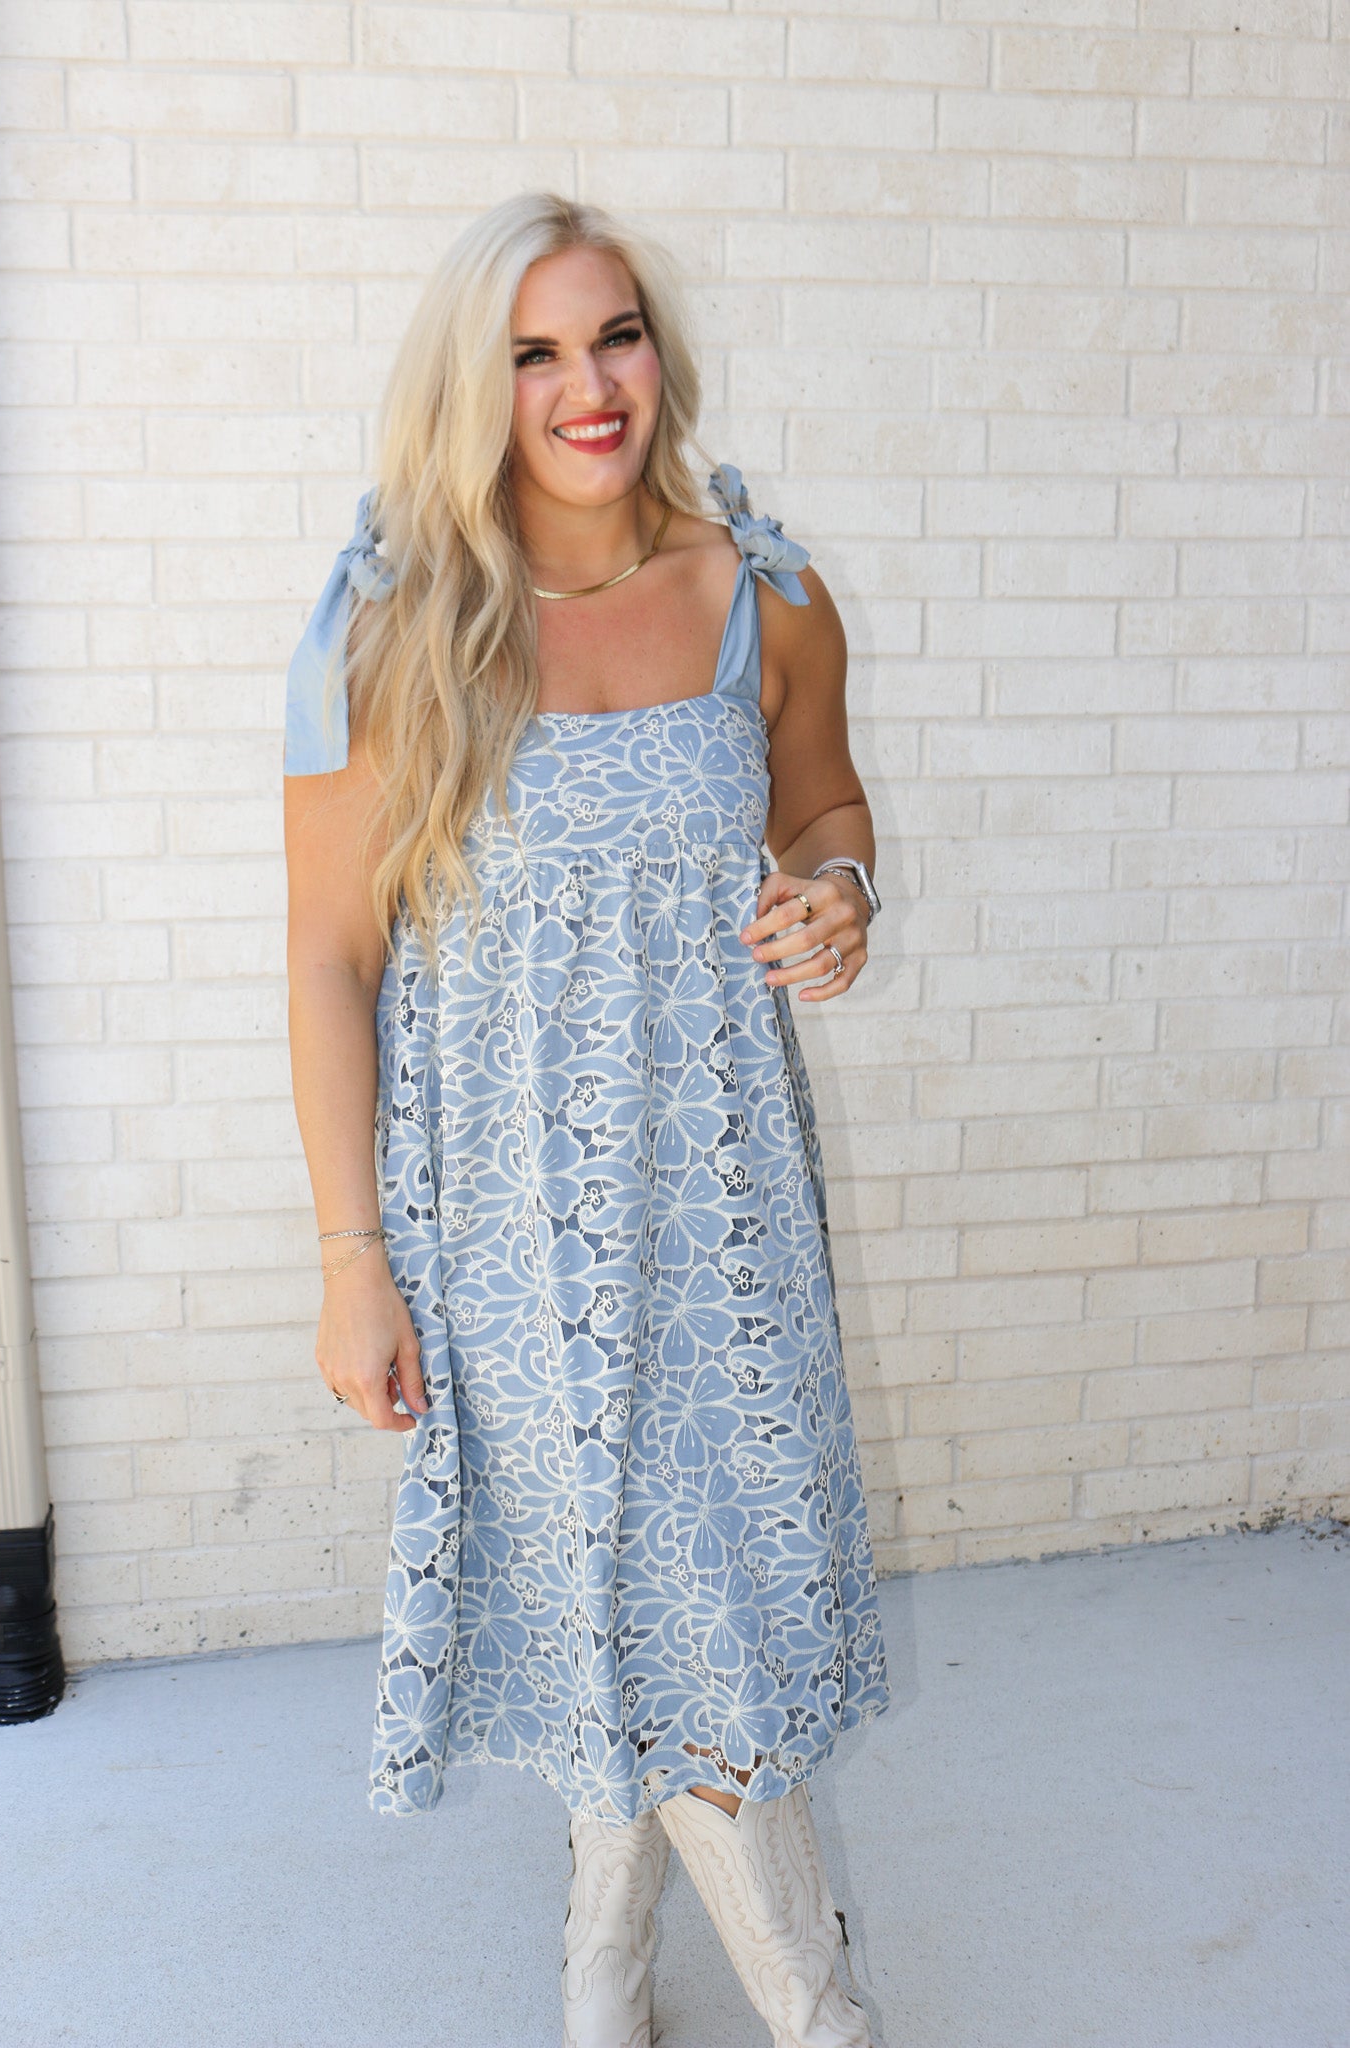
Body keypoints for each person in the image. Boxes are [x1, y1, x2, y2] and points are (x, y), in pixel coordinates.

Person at [283, 190, 891, 2048]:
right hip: (504, 1235)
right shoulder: (394, 629)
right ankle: (820, 2015)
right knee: (658, 1602)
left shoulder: (762, 590)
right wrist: (353, 1263)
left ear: (657, 349)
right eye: (533, 352)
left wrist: (841, 894)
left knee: (677, 1592)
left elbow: (822, 806)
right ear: (475, 387)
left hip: (724, 1212)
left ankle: (597, 1975)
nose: (586, 385)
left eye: (612, 334)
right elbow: (329, 956)